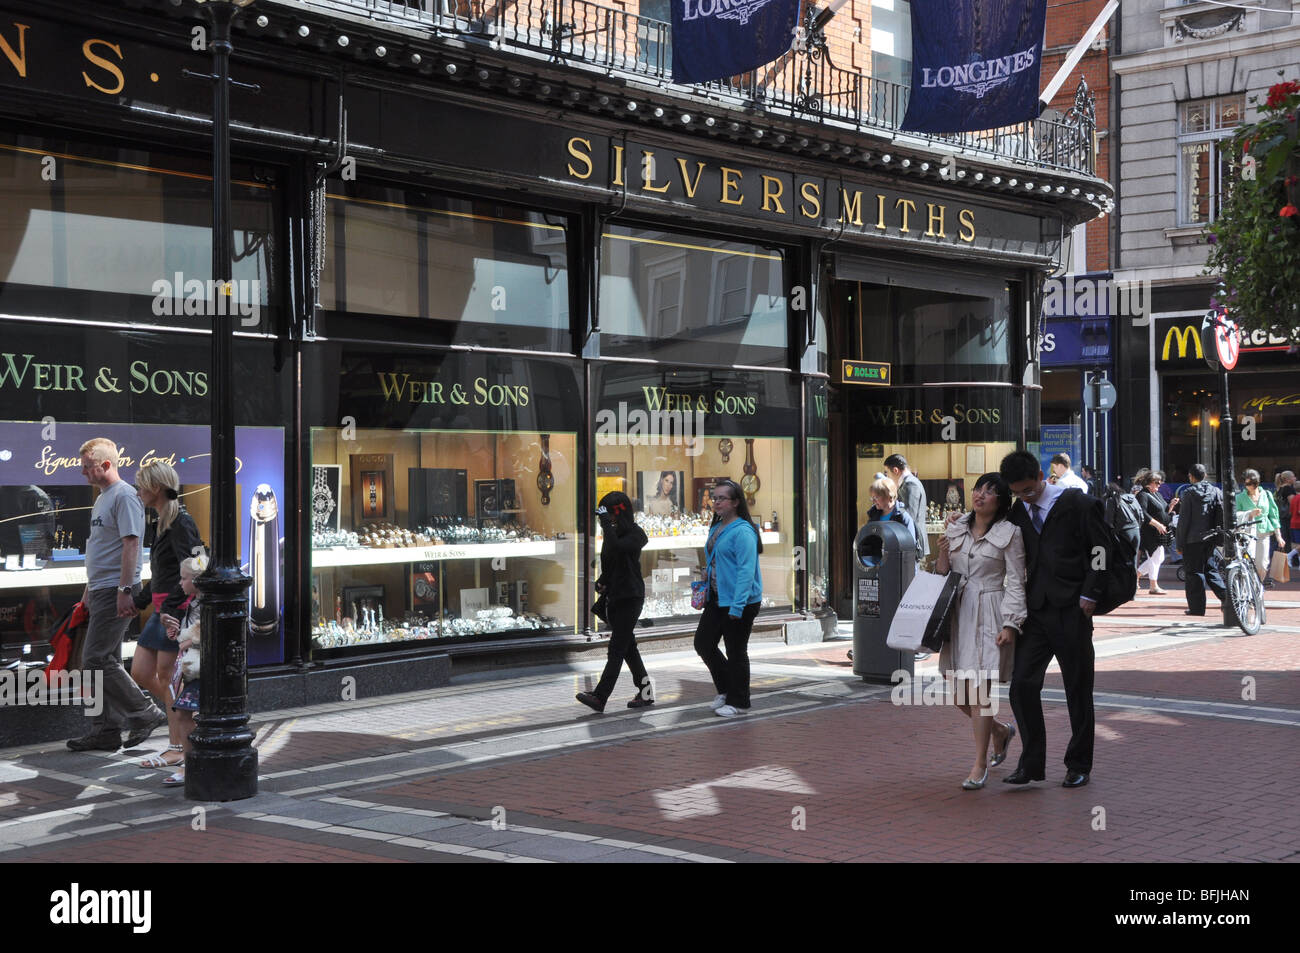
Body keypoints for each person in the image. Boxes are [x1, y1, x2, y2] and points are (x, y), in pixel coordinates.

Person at [998, 450, 1110, 788]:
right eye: (1017, 492)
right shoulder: (1019, 512)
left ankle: (1079, 764)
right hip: (1036, 611)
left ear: (1043, 478)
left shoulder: (1077, 504)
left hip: (1073, 610)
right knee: (1022, 685)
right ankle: (1031, 764)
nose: (1024, 497)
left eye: (1029, 490)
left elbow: (1101, 550)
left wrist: (1091, 593)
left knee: (1077, 688)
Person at [67, 438, 168, 753]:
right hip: (102, 589)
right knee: (104, 658)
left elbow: (131, 545)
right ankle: (106, 730)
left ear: (106, 465)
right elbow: (101, 547)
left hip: (115, 589)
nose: (83, 473)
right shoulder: (103, 498)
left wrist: (125, 590)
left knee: (94, 659)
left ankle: (143, 712)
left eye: (87, 467)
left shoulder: (123, 495)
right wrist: (88, 592)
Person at [934, 473, 1025, 791]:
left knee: (981, 691)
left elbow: (1015, 580)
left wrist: (1010, 623)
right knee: (957, 689)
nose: (980, 494)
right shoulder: (956, 526)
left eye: (989, 491)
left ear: (1001, 500)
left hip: (990, 610)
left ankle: (979, 763)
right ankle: (1000, 732)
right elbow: (942, 573)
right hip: (959, 611)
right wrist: (943, 551)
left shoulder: (1010, 533)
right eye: (978, 488)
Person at [131, 463, 202, 769]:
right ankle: (189, 726)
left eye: (142, 485)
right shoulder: (164, 521)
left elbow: (193, 568)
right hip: (162, 609)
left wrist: (171, 607)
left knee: (167, 677)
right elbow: (165, 572)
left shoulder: (179, 522)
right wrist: (140, 600)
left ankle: (178, 745)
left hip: (172, 612)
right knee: (142, 672)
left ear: (156, 488)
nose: (138, 491)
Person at [693, 479, 763, 718]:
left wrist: (738, 605)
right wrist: (708, 573)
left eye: (722, 498)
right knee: (703, 643)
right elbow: (720, 558)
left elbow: (746, 571)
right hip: (717, 597)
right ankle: (725, 690)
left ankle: (739, 701)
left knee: (736, 651)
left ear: (735, 502)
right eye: (715, 498)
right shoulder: (718, 526)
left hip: (739, 600)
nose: (716, 502)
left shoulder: (743, 531)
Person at [577, 491, 652, 713]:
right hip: (616, 596)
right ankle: (646, 693)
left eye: (609, 514)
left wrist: (606, 524)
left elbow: (619, 548)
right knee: (629, 649)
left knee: (617, 649)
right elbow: (612, 564)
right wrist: (602, 581)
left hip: (631, 597)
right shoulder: (614, 533)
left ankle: (600, 697)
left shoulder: (636, 534)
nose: (607, 520)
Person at [862, 476, 928, 660]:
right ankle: (880, 642)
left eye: (876, 497)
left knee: (903, 609)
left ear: (889, 497)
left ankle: (913, 646)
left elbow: (909, 545)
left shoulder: (902, 516)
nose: (873, 500)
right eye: (872, 497)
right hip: (879, 569)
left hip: (900, 571)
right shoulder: (873, 515)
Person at [159, 554, 205, 788]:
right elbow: (192, 633)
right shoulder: (194, 603)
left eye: (184, 578)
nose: (180, 583)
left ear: (196, 581)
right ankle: (191, 761)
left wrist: (188, 641)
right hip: (193, 668)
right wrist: (177, 634)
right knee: (184, 714)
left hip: (202, 670)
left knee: (184, 713)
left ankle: (192, 763)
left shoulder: (206, 603)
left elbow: (208, 633)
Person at [1175, 463, 1224, 617]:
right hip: (1210, 538)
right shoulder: (1216, 491)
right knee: (1211, 570)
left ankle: (1197, 608)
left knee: (1194, 573)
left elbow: (1184, 521)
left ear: (1191, 476)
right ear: (1205, 476)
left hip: (1192, 540)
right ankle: (1228, 597)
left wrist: (1179, 543)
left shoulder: (1188, 493)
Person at [1235, 469, 1279, 587]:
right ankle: (1248, 591)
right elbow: (1235, 515)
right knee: (1248, 563)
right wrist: (1249, 513)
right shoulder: (1239, 497)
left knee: (1262, 564)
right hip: (1247, 534)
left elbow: (1274, 516)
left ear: (1258, 482)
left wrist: (1279, 536)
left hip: (1263, 532)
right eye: (1248, 484)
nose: (1251, 486)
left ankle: (1257, 588)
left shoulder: (1267, 495)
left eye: (1254, 483)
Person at [883, 454, 928, 562]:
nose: (888, 477)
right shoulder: (910, 482)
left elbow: (909, 517)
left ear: (895, 470)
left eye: (887, 473)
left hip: (912, 546)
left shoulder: (910, 484)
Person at [1135, 470, 1170, 596]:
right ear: (1149, 483)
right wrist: (1157, 524)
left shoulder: (1157, 495)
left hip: (1159, 531)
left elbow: (1163, 510)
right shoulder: (1142, 495)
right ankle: (1153, 585)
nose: (1159, 485)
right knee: (1155, 557)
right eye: (1157, 483)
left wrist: (1171, 506)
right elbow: (1143, 514)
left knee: (1158, 557)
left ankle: (1135, 576)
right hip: (1149, 531)